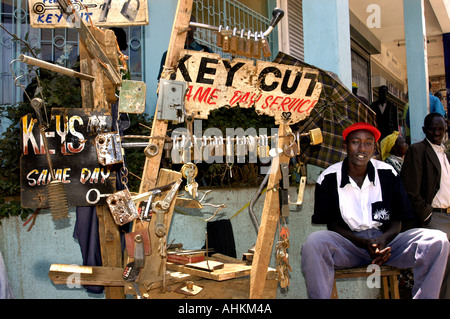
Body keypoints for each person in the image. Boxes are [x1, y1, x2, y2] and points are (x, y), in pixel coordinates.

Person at [301, 122, 449, 299]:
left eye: (368, 142)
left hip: (389, 244)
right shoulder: (328, 178)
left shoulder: (388, 173)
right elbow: (333, 225)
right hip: (349, 245)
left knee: (438, 240)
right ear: (345, 145)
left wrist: (384, 240)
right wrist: (364, 243)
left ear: (375, 147)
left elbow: (397, 219)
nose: (362, 148)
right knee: (313, 243)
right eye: (355, 142)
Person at [400, 112, 450, 298]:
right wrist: (427, 216)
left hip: (448, 215)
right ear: (424, 130)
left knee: (447, 274)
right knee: (433, 272)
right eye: (432, 128)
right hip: (434, 218)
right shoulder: (418, 150)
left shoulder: (445, 153)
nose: (437, 132)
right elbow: (410, 189)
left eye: (441, 128)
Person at [157, 15, 212, 81]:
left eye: (189, 23)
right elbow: (162, 83)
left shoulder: (207, 52)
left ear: (195, 28)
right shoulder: (169, 55)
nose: (186, 27)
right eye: (183, 24)